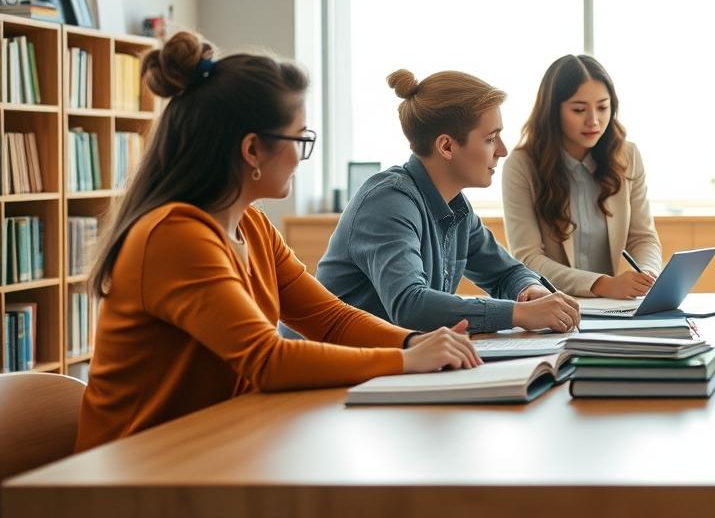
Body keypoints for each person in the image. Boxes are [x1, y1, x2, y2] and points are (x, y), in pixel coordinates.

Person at [77, 33, 478, 452]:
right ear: (252, 150)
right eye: (300, 140)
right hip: (132, 470)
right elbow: (267, 360)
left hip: (209, 445)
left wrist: (411, 341)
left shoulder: (252, 226)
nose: (301, 157)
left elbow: (331, 320)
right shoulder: (176, 235)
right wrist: (406, 360)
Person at [317, 69, 581, 334]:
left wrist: (530, 290)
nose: (502, 150)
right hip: (331, 370)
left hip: (393, 364)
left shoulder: (456, 206)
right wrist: (518, 314)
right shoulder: (387, 203)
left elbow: (505, 273)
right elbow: (410, 305)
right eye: (490, 139)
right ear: (446, 147)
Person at [502, 55, 661, 298]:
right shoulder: (521, 165)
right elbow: (527, 258)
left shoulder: (628, 156)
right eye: (579, 109)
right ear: (553, 110)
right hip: (552, 304)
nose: (594, 121)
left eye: (603, 107)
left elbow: (643, 237)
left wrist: (647, 274)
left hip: (611, 306)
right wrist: (602, 284)